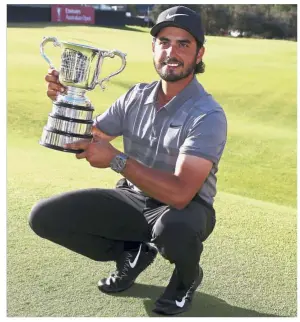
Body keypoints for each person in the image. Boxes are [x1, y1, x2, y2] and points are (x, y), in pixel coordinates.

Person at [29, 6, 227, 316]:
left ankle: (187, 278)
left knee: (172, 230)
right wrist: (67, 101)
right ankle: (131, 252)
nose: (171, 52)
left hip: (186, 209)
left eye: (183, 44)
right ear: (153, 48)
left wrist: (117, 160)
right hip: (133, 196)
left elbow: (180, 193)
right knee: (43, 217)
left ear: (199, 54)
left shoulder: (207, 115)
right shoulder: (136, 96)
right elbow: (91, 136)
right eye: (164, 41)